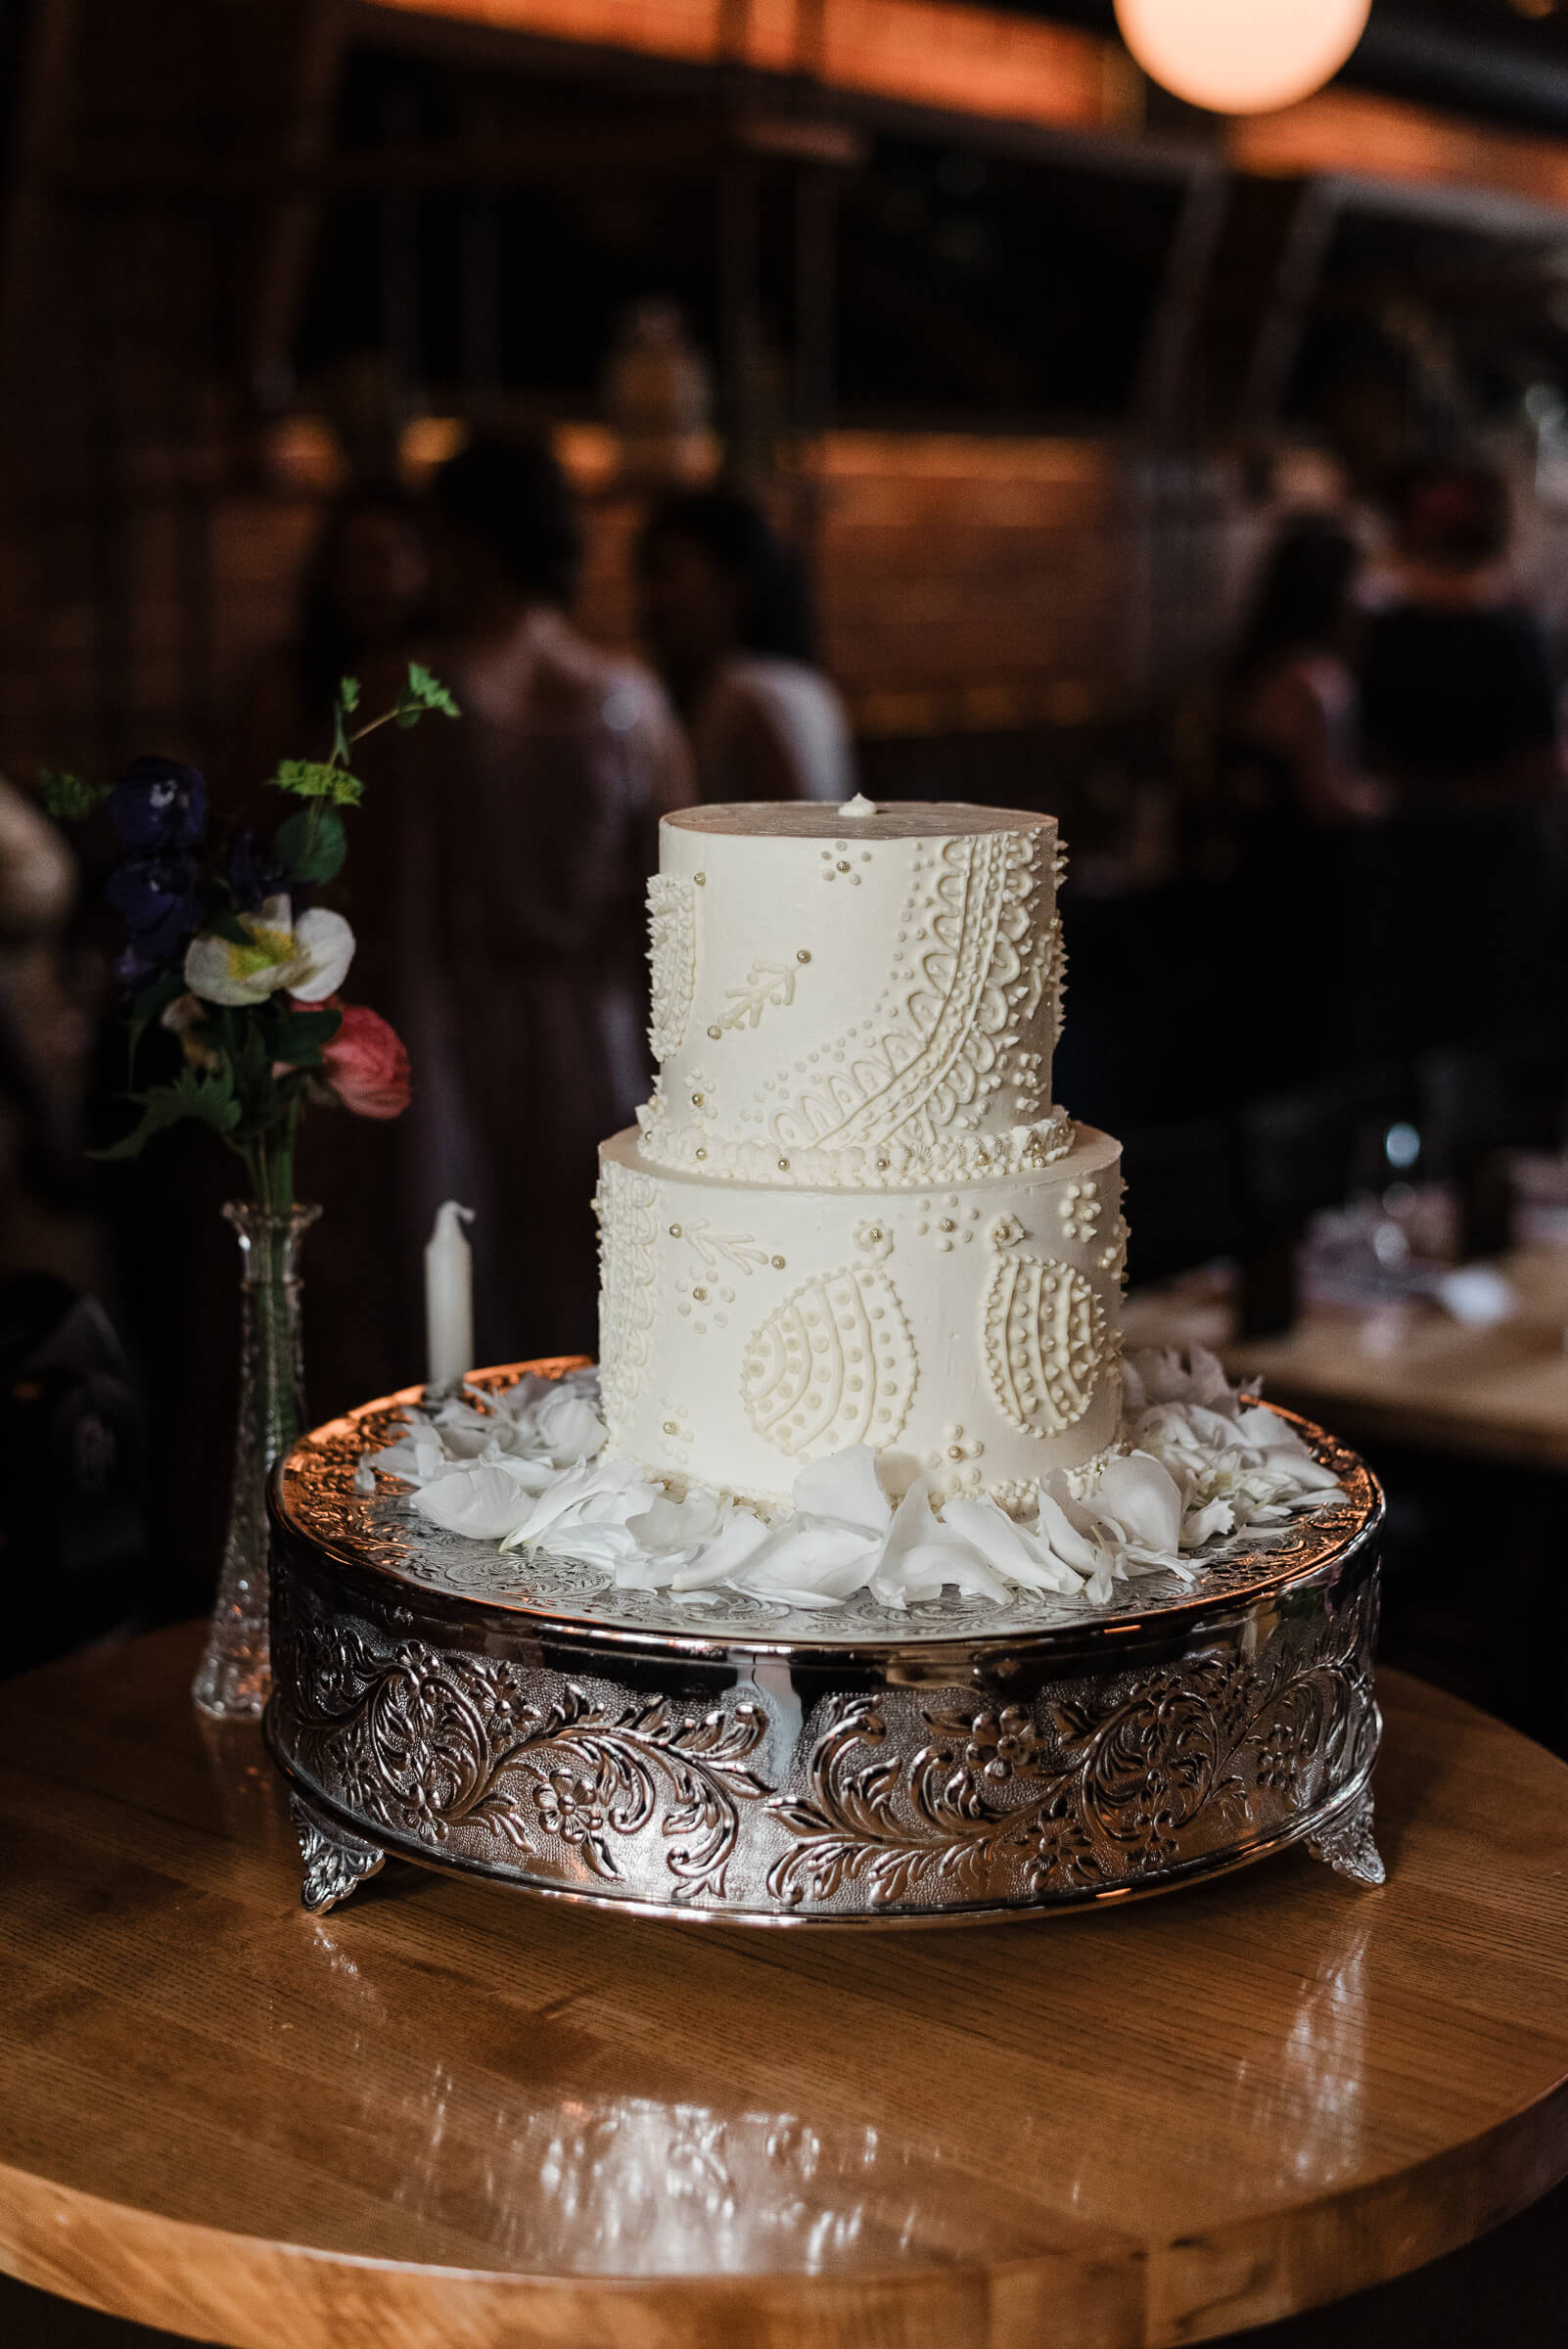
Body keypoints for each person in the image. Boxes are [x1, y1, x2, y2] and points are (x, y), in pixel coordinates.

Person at [362, 436, 692, 1368]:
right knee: (596, 1279)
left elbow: (391, 902)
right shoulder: (632, 697)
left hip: (461, 1026)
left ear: (466, 544)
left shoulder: (416, 695)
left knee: (469, 1288)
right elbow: (673, 911)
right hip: (603, 1027)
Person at [1354, 456, 1561, 1059]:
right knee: (1490, 1052)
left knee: (1411, 1045)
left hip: (1410, 863)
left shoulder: (1384, 630)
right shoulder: (1513, 636)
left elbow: (1370, 756)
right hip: (1489, 873)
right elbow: (1539, 772)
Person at [1219, 515, 1387, 1080]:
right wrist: (1396, 801)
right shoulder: (1316, 680)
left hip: (1258, 889)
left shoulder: (1258, 670)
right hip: (1314, 894)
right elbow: (1330, 800)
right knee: (1316, 1048)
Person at [635, 488, 854, 803]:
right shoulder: (805, 684)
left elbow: (787, 837)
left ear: (731, 583)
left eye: (666, 572)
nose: (652, 599)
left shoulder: (740, 697)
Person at [229, 481, 432, 787]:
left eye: (389, 557)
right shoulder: (288, 686)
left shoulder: (450, 679)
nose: (376, 579)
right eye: (360, 557)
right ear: (330, 571)